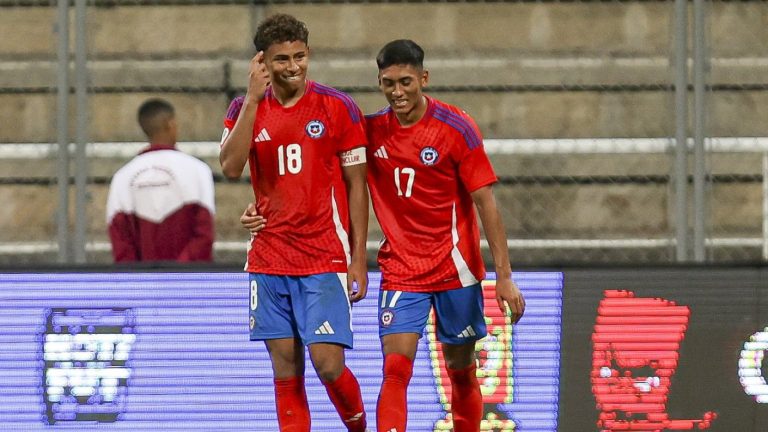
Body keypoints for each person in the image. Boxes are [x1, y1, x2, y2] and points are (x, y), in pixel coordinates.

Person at [364, 39, 526, 432]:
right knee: (395, 367)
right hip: (402, 268)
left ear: (424, 78)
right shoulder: (370, 131)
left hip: (456, 270)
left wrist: (504, 276)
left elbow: (486, 202)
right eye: (389, 83)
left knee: (460, 369)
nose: (398, 92)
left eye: (406, 82)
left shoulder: (456, 127)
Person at [219, 14, 370, 432]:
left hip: (323, 256)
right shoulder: (244, 107)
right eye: (281, 58)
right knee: (285, 369)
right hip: (268, 257)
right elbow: (231, 167)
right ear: (262, 62)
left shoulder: (338, 107)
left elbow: (358, 188)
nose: (292, 66)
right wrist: (251, 99)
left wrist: (359, 258)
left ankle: (358, 427)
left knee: (327, 362)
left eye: (299, 56)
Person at [106, 98, 215, 262]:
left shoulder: (123, 177)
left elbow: (120, 240)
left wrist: (138, 278)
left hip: (141, 283)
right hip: (188, 281)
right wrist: (179, 272)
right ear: (171, 124)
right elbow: (204, 235)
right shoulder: (198, 170)